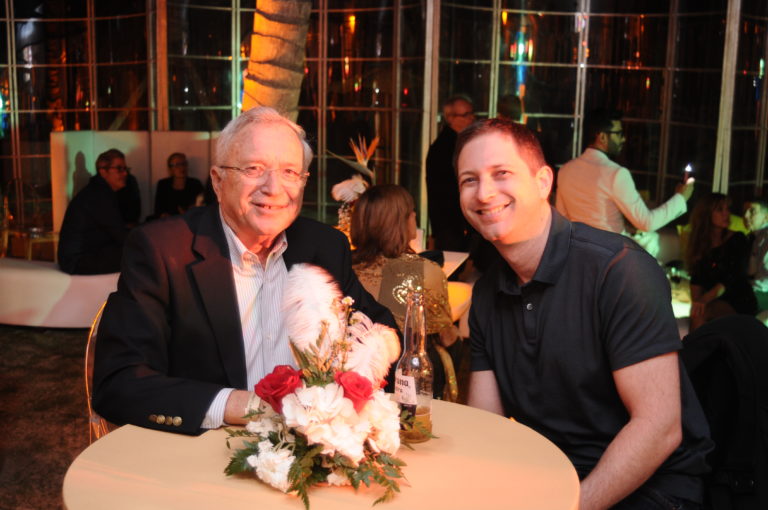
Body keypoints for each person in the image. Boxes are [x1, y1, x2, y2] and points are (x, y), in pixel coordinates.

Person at [92, 107, 396, 435]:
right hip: (206, 448)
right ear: (218, 180)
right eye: (254, 169)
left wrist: (354, 383)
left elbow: (382, 333)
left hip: (311, 445)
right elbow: (120, 382)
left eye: (290, 172)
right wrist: (246, 406)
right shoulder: (163, 250)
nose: (274, 188)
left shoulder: (324, 246)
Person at [458, 118, 711, 509]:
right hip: (551, 477)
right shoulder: (488, 295)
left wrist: (573, 505)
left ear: (543, 182)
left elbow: (659, 427)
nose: (484, 192)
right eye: (469, 180)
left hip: (651, 488)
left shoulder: (619, 270)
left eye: (501, 173)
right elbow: (486, 427)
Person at [350, 184, 459, 400]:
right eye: (411, 212)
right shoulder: (426, 270)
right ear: (401, 221)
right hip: (408, 383)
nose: (415, 216)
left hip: (354, 379)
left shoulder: (343, 268)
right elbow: (445, 336)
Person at [556, 109, 694, 256]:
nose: (624, 139)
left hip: (579, 253)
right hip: (611, 257)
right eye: (619, 134)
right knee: (652, 241)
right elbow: (647, 222)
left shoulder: (565, 170)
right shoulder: (616, 173)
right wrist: (681, 198)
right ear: (602, 137)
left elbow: (561, 221)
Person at [686, 193, 756, 331]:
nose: (726, 213)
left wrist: (703, 301)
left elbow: (732, 277)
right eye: (720, 210)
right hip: (714, 300)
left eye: (727, 209)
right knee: (697, 313)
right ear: (706, 214)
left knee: (702, 314)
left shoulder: (737, 239)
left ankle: (691, 346)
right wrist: (697, 304)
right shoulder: (700, 244)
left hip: (738, 300)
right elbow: (696, 278)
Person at [58, 148, 132, 275]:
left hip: (79, 257)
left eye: (125, 169)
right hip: (77, 261)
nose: (125, 173)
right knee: (137, 253)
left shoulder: (98, 191)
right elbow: (118, 233)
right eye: (119, 169)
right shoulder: (98, 195)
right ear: (103, 171)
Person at [425, 94, 475, 251]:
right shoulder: (444, 147)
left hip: (454, 221)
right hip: (450, 221)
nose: (471, 118)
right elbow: (446, 189)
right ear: (450, 118)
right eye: (466, 115)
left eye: (471, 113)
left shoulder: (458, 142)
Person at [153, 152, 204, 218]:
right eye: (177, 165)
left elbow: (202, 206)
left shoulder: (195, 184)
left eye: (184, 164)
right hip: (169, 221)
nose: (182, 167)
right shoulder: (163, 185)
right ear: (170, 169)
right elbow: (158, 210)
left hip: (190, 220)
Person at [744, 198, 768, 312]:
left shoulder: (766, 238)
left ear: (766, 217)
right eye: (745, 211)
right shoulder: (751, 237)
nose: (745, 216)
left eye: (752, 211)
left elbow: (764, 280)